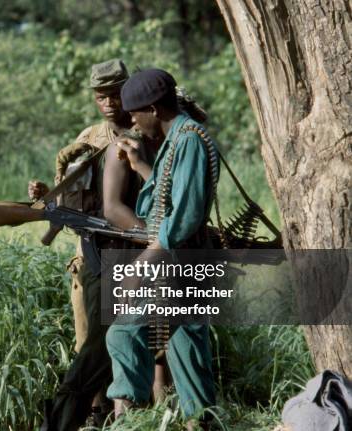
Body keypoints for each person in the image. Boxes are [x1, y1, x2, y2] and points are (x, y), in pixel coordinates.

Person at [39, 59, 156, 430]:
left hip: (143, 254)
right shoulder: (89, 140)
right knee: (97, 346)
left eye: (113, 94)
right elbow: (74, 202)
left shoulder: (150, 134)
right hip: (99, 254)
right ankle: (69, 418)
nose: (107, 102)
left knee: (147, 342)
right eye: (99, 96)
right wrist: (49, 198)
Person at [110, 68, 218, 431]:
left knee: (124, 332)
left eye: (136, 115)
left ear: (154, 108)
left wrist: (140, 267)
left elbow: (183, 218)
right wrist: (142, 166)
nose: (134, 124)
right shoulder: (177, 139)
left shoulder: (188, 139)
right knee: (186, 349)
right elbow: (163, 203)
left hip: (181, 262)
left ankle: (127, 422)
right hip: (180, 262)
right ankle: (201, 422)